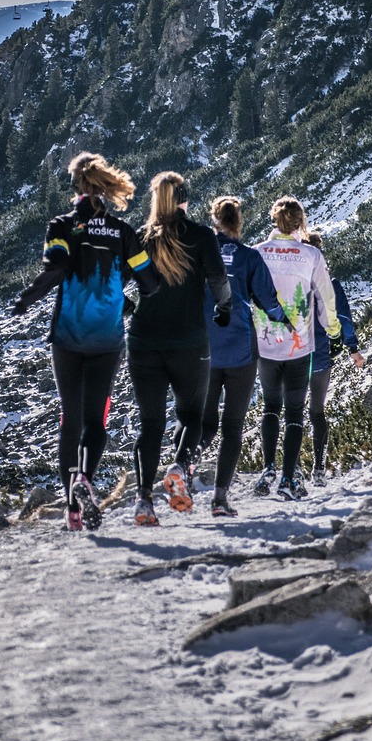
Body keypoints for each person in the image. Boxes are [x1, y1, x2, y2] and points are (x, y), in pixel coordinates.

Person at [12, 152, 159, 531]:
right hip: (107, 340)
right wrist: (120, 297)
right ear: (104, 187)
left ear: (76, 186)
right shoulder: (124, 233)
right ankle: (85, 481)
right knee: (96, 421)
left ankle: (72, 511)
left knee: (69, 420)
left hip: (66, 336)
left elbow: (56, 269)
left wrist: (26, 299)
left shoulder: (61, 226)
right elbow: (150, 283)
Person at [127, 171, 232, 527]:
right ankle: (180, 466)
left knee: (150, 424)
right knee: (192, 416)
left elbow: (113, 286)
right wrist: (224, 309)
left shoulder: (140, 238)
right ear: (185, 200)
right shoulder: (201, 236)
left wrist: (131, 310)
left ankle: (144, 502)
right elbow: (218, 280)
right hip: (188, 340)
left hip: (143, 341)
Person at [199, 195, 289, 517]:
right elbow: (268, 301)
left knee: (203, 421)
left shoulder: (200, 254)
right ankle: (220, 499)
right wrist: (286, 321)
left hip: (206, 350)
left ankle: (184, 464)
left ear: (214, 221)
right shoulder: (250, 258)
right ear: (239, 222)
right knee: (232, 427)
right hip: (240, 350)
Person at [252, 196, 342, 500]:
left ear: (273, 221)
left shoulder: (258, 253)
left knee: (270, 407)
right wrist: (333, 331)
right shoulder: (311, 254)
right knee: (294, 413)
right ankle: (289, 478)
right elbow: (325, 298)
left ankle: (267, 468)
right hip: (299, 347)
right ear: (300, 223)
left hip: (266, 344)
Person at [304, 231, 365, 484]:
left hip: (290, 354)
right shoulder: (331, 283)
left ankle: (289, 471)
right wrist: (353, 349)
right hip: (320, 356)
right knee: (317, 412)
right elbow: (344, 319)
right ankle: (318, 467)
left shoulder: (293, 281)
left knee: (293, 411)